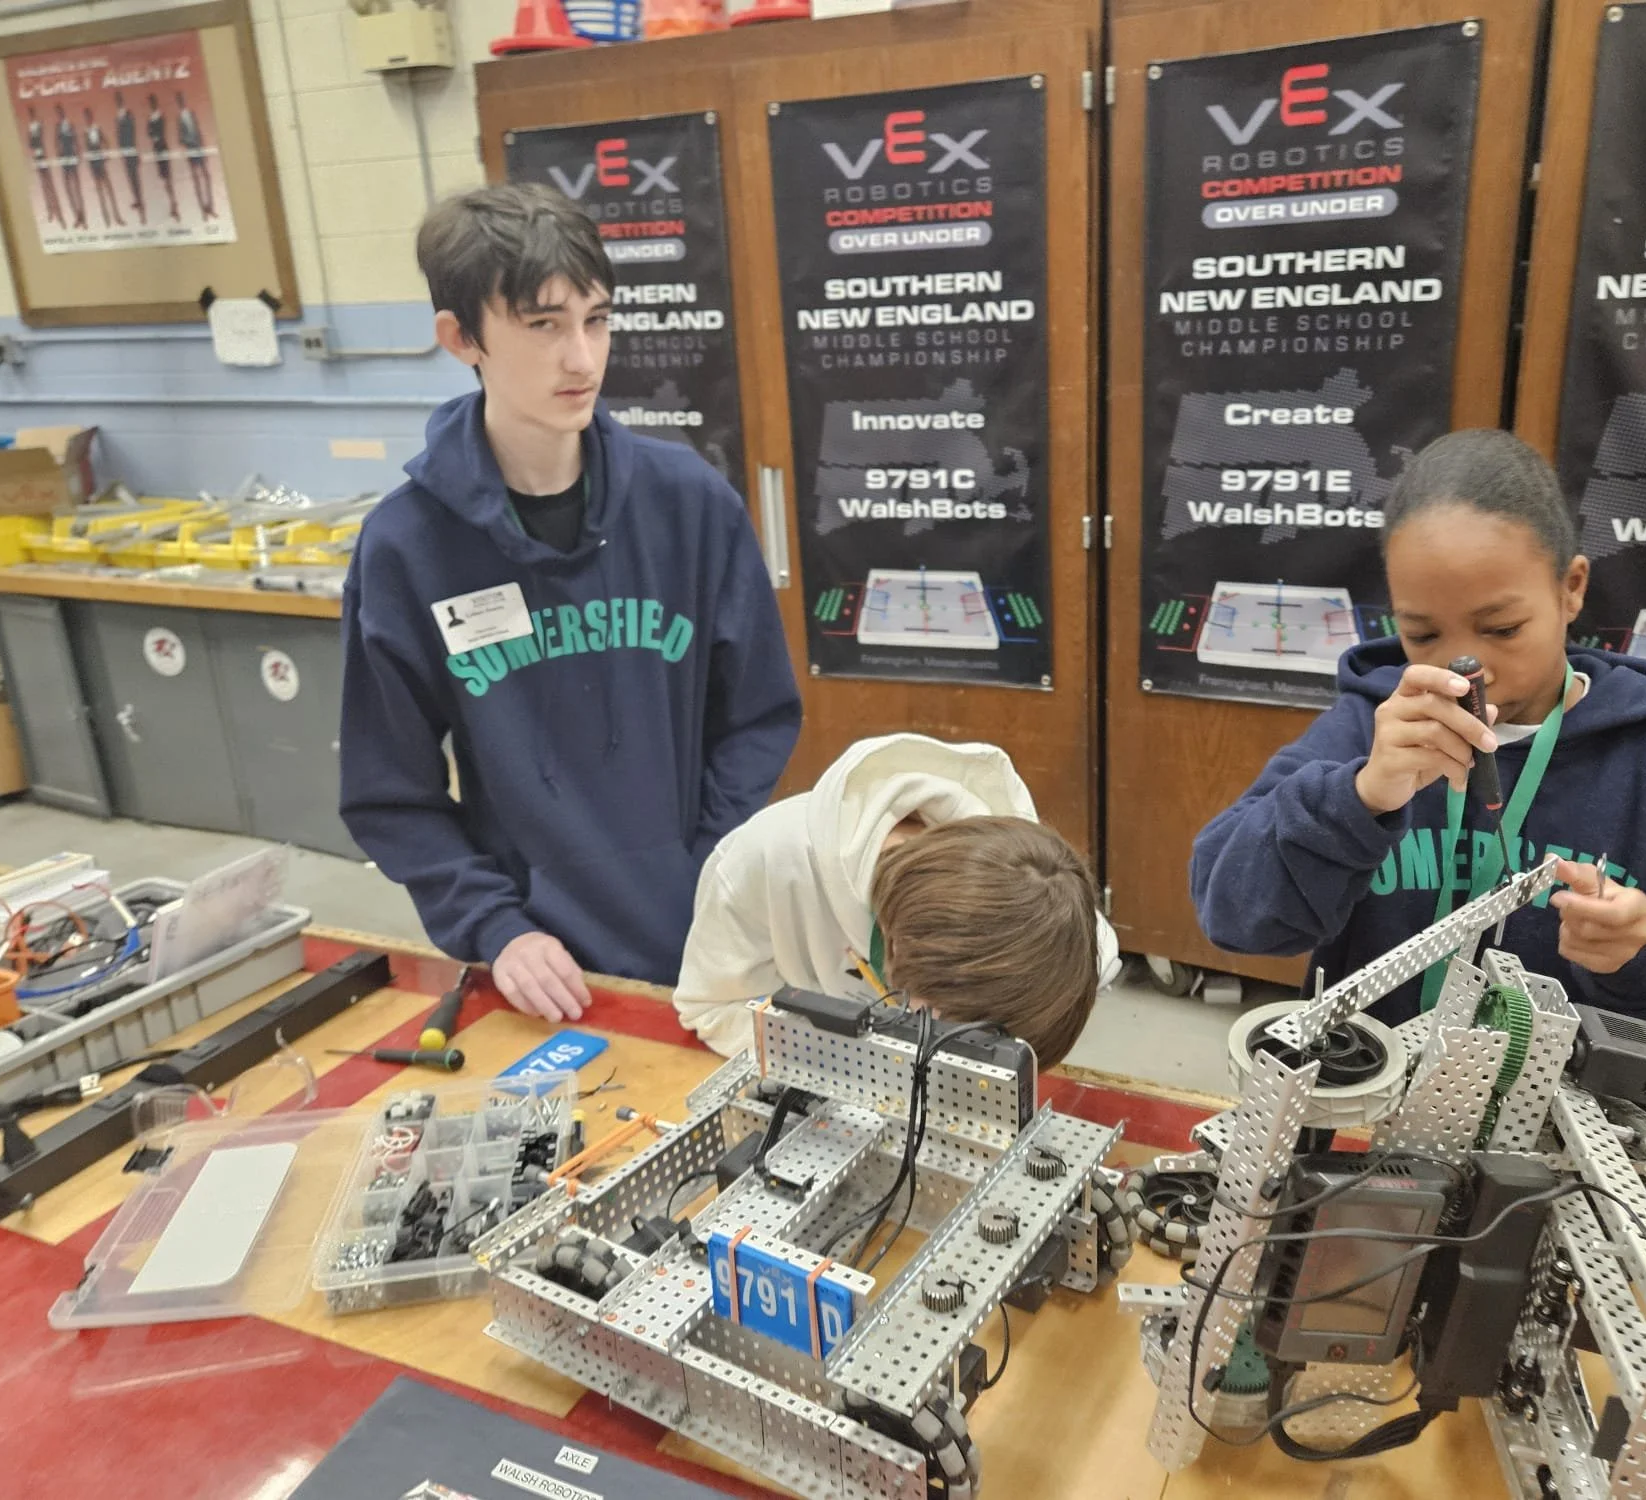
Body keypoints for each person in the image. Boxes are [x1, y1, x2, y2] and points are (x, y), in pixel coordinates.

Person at [1189, 428, 1646, 1087]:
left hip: (1568, 1130)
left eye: (1502, 629)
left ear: (1571, 588)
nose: (1466, 668)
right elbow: (1231, 916)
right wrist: (1359, 798)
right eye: (1422, 633)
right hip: (1375, 1109)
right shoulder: (1368, 728)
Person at [341, 182, 801, 1024]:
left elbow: (758, 716)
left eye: (597, 319)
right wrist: (496, 927)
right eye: (544, 325)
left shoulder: (691, 505)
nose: (583, 359)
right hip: (537, 968)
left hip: (709, 933)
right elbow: (388, 790)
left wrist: (708, 867)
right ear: (461, 338)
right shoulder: (406, 547)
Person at [673, 734, 1120, 1070]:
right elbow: (709, 1008)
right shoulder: (763, 861)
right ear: (896, 952)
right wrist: (848, 1059)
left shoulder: (1059, 926)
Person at [177, 91, 215, 219]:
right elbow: (180, 139)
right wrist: (189, 140)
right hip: (191, 151)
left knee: (206, 176)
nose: (181, 102)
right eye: (179, 100)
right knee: (197, 180)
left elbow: (198, 131)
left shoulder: (192, 114)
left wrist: (202, 147)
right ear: (178, 103)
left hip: (199, 149)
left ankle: (210, 207)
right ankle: (203, 210)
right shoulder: (179, 119)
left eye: (182, 99)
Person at [82, 109, 122, 229]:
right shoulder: (85, 132)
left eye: (89, 116)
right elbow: (85, 148)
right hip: (93, 165)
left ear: (91, 116)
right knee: (100, 192)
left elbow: (106, 141)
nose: (88, 119)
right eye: (86, 117)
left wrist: (106, 154)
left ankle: (117, 217)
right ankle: (106, 220)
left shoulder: (97, 129)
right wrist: (90, 162)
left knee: (109, 190)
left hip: (100, 162)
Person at [26, 107, 63, 227]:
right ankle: (50, 211)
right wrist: (32, 135)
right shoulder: (31, 127)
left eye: (32, 113)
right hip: (37, 157)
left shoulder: (38, 125)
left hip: (43, 157)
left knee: (49, 184)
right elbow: (31, 144)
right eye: (30, 113)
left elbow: (38, 139)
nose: (31, 115)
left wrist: (34, 135)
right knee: (44, 185)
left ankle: (57, 211)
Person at [147, 94, 179, 223]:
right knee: (164, 178)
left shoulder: (160, 116)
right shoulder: (151, 118)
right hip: (157, 149)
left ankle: (173, 204)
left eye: (153, 103)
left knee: (167, 177)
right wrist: (154, 135)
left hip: (162, 148)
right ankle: (172, 204)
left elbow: (159, 132)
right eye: (151, 104)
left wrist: (155, 135)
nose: (152, 105)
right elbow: (149, 133)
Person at [53, 105, 86, 230]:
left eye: (60, 112)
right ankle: (77, 216)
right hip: (64, 159)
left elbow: (76, 140)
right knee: (68, 189)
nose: (59, 114)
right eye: (57, 112)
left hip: (72, 156)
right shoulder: (58, 127)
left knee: (76, 188)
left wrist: (78, 154)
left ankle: (83, 217)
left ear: (63, 112)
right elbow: (56, 142)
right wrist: (59, 155)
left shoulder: (69, 125)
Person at [115, 92, 145, 224]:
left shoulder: (128, 115)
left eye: (119, 100)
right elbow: (119, 136)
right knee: (131, 180)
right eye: (117, 100)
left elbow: (132, 133)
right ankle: (138, 202)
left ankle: (142, 208)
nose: (118, 102)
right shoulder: (118, 117)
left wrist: (135, 151)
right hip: (126, 153)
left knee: (135, 180)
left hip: (131, 150)